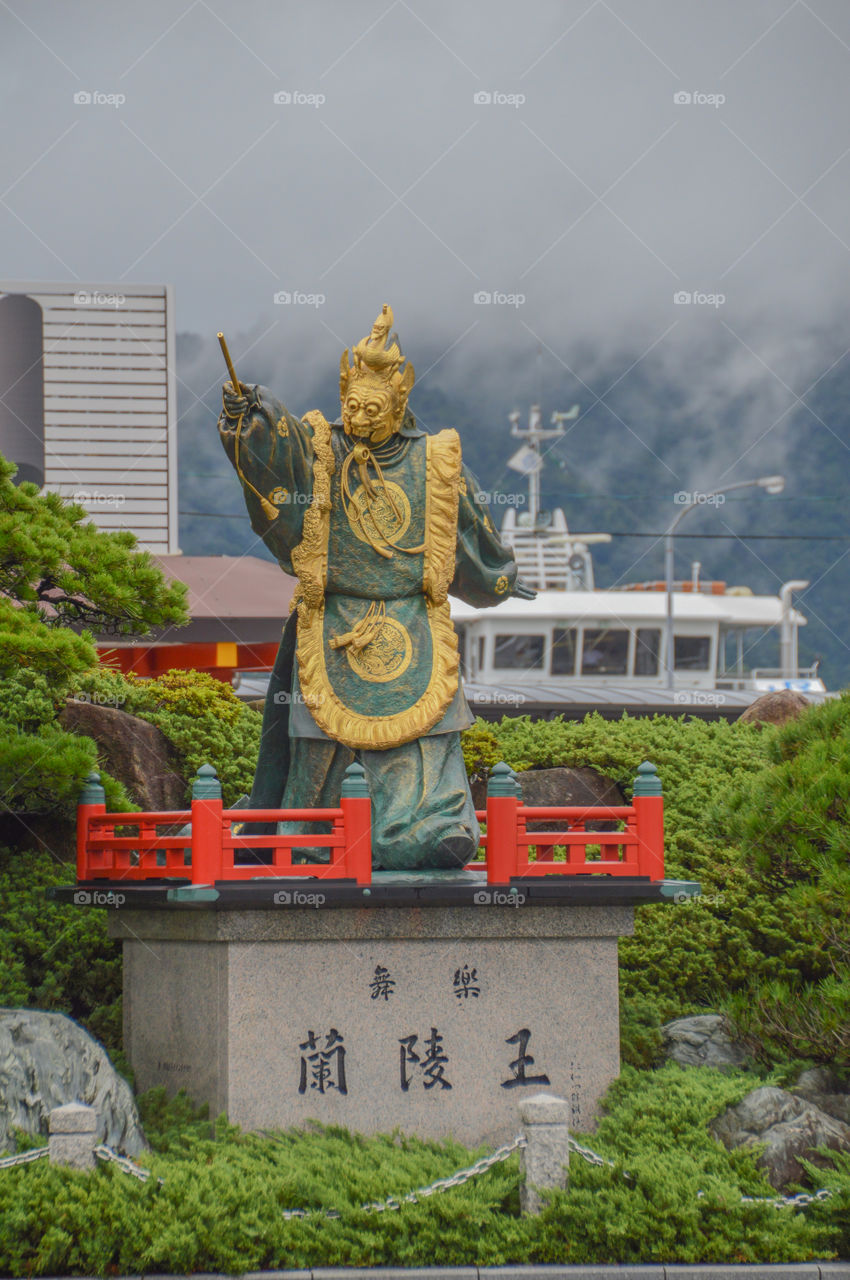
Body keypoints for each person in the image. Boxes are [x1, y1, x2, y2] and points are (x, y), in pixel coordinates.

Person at [218, 304, 533, 870]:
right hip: (333, 620)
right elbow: (279, 451)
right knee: (320, 739)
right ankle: (310, 838)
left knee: (428, 734)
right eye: (352, 406)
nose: (358, 417)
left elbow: (471, 533)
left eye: (371, 408)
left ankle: (434, 825)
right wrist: (253, 418)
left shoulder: (436, 461)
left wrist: (499, 577)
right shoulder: (321, 448)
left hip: (413, 623)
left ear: (399, 404)